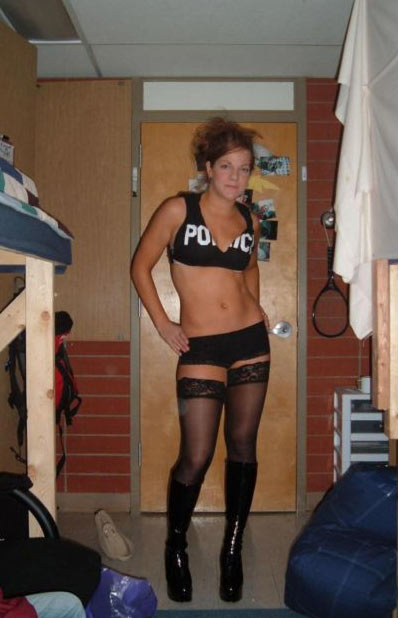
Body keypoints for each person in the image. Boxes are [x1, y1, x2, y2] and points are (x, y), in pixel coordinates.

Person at [131, 117, 270, 603]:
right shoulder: (178, 209)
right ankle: (176, 546)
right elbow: (140, 266)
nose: (236, 177)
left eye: (244, 168)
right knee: (196, 455)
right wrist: (163, 323)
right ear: (208, 167)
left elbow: (249, 269)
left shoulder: (250, 218)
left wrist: (258, 306)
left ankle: (232, 550)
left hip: (250, 342)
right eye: (226, 166)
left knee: (243, 445)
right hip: (201, 347)